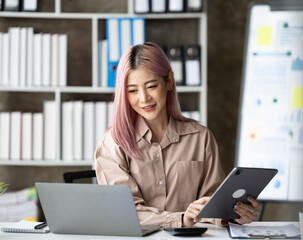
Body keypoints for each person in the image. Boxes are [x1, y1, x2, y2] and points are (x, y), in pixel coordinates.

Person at [94, 42, 260, 228]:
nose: (143, 98)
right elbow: (122, 211)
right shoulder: (114, 142)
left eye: (151, 86)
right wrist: (180, 219)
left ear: (169, 81)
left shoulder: (201, 138)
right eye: (132, 90)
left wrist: (233, 214)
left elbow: (212, 205)